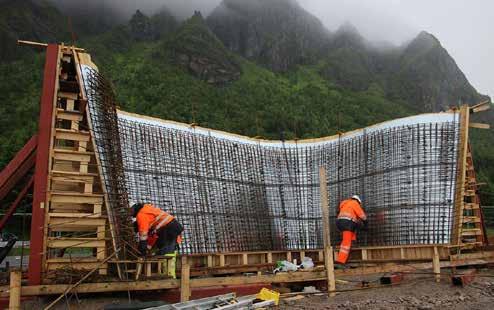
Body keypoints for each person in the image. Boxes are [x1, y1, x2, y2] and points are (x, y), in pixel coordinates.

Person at [335, 195, 367, 265]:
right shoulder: (354, 203)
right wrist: (365, 222)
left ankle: (353, 240)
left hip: (340, 222)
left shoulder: (345, 203)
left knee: (354, 226)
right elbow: (362, 215)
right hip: (347, 223)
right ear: (358, 201)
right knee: (346, 243)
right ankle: (340, 261)